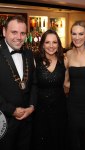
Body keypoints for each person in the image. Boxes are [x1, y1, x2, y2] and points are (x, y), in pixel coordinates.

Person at [0, 15, 37, 150]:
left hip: (27, 121)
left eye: (22, 33)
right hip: (4, 121)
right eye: (14, 32)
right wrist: (12, 110)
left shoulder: (28, 53)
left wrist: (32, 107)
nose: (19, 37)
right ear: (4, 32)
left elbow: (34, 83)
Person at [31, 29, 67, 150]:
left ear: (58, 44)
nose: (51, 46)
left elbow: (67, 83)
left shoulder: (64, 60)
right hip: (40, 109)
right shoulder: (35, 60)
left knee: (58, 139)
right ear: (42, 44)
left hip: (60, 108)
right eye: (47, 42)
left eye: (54, 42)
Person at [65, 21, 85, 150]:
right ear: (71, 35)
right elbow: (65, 81)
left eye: (81, 34)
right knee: (74, 141)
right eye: (74, 34)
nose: (77, 37)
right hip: (72, 105)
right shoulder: (67, 55)